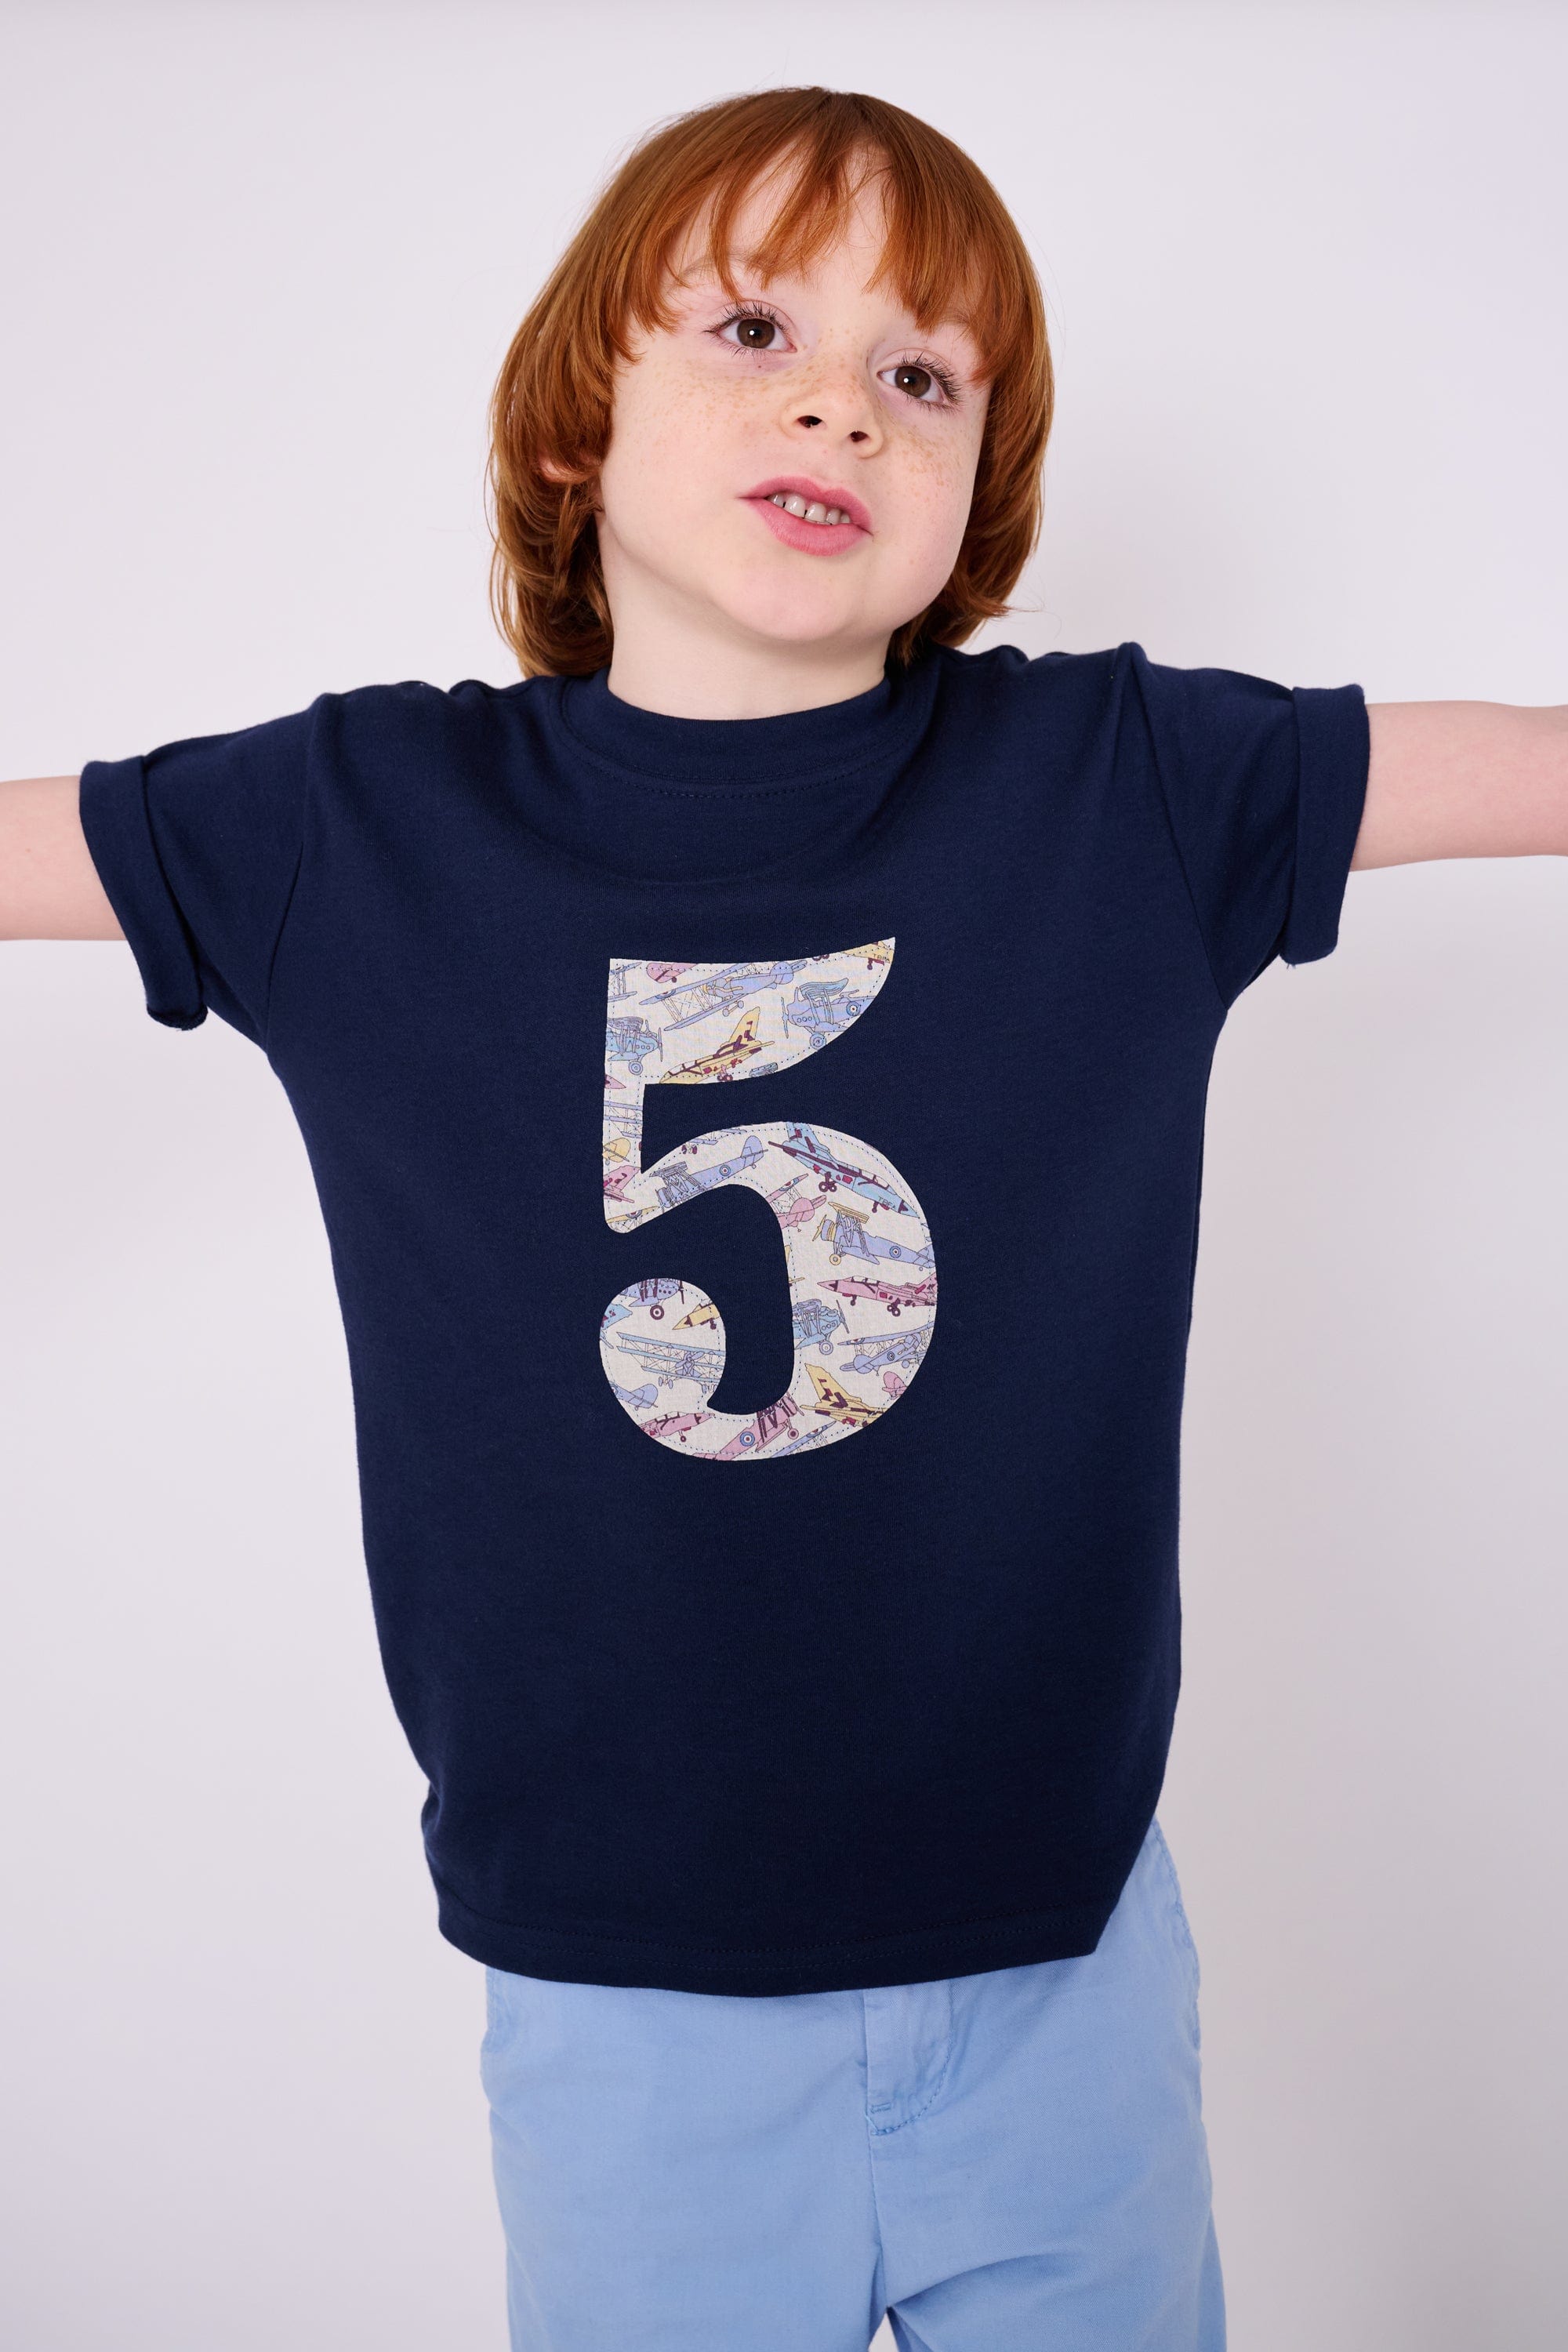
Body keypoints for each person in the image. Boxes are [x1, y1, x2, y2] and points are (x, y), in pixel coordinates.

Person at [2, 82, 1562, 2352]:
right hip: (625, 2006)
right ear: (577, 428)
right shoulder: (357, 823)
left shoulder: (1126, 785)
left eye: (923, 375)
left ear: (973, 496)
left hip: (1064, 1968)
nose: (842, 399)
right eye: (753, 329)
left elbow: (1528, 766)